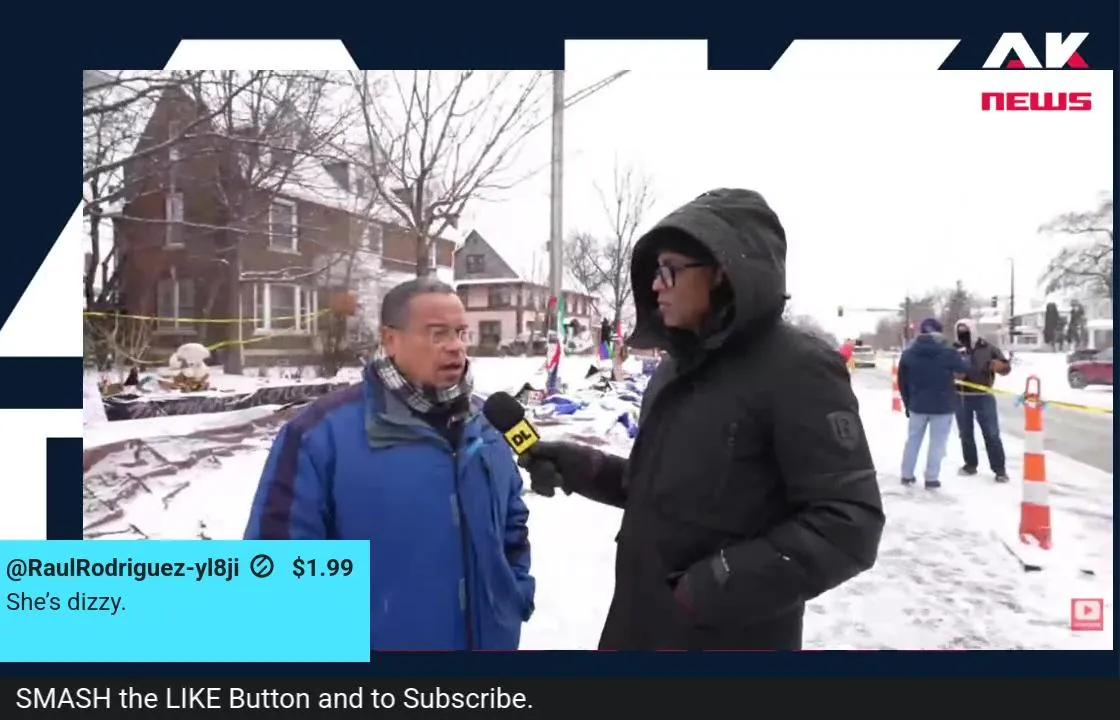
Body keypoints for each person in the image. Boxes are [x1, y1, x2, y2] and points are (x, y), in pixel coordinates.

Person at [517, 189, 884, 651]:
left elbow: (849, 523)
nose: (656, 286)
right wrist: (584, 467)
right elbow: (662, 491)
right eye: (655, 271)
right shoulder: (674, 368)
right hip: (637, 625)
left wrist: (715, 584)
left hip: (731, 641)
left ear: (723, 271)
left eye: (670, 270)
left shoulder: (798, 368)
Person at [244, 278, 534, 651]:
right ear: (390, 339)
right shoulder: (319, 435)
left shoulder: (486, 423)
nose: (456, 346)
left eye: (461, 333)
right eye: (437, 334)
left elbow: (512, 523)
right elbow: (277, 571)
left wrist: (514, 594)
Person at [896, 317, 971, 489]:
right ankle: (931, 478)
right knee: (937, 443)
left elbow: (902, 382)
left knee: (913, 440)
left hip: (917, 405)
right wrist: (964, 356)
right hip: (943, 406)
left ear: (921, 332)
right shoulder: (949, 352)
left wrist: (908, 403)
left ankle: (906, 475)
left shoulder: (908, 353)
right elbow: (963, 370)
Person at [953, 318, 1012, 482]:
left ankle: (1000, 470)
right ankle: (970, 464)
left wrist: (1000, 366)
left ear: (973, 331)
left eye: (965, 330)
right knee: (965, 433)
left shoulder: (988, 348)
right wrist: (953, 374)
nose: (962, 334)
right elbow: (943, 369)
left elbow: (1006, 367)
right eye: (959, 331)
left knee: (992, 434)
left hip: (984, 396)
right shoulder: (953, 349)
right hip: (961, 397)